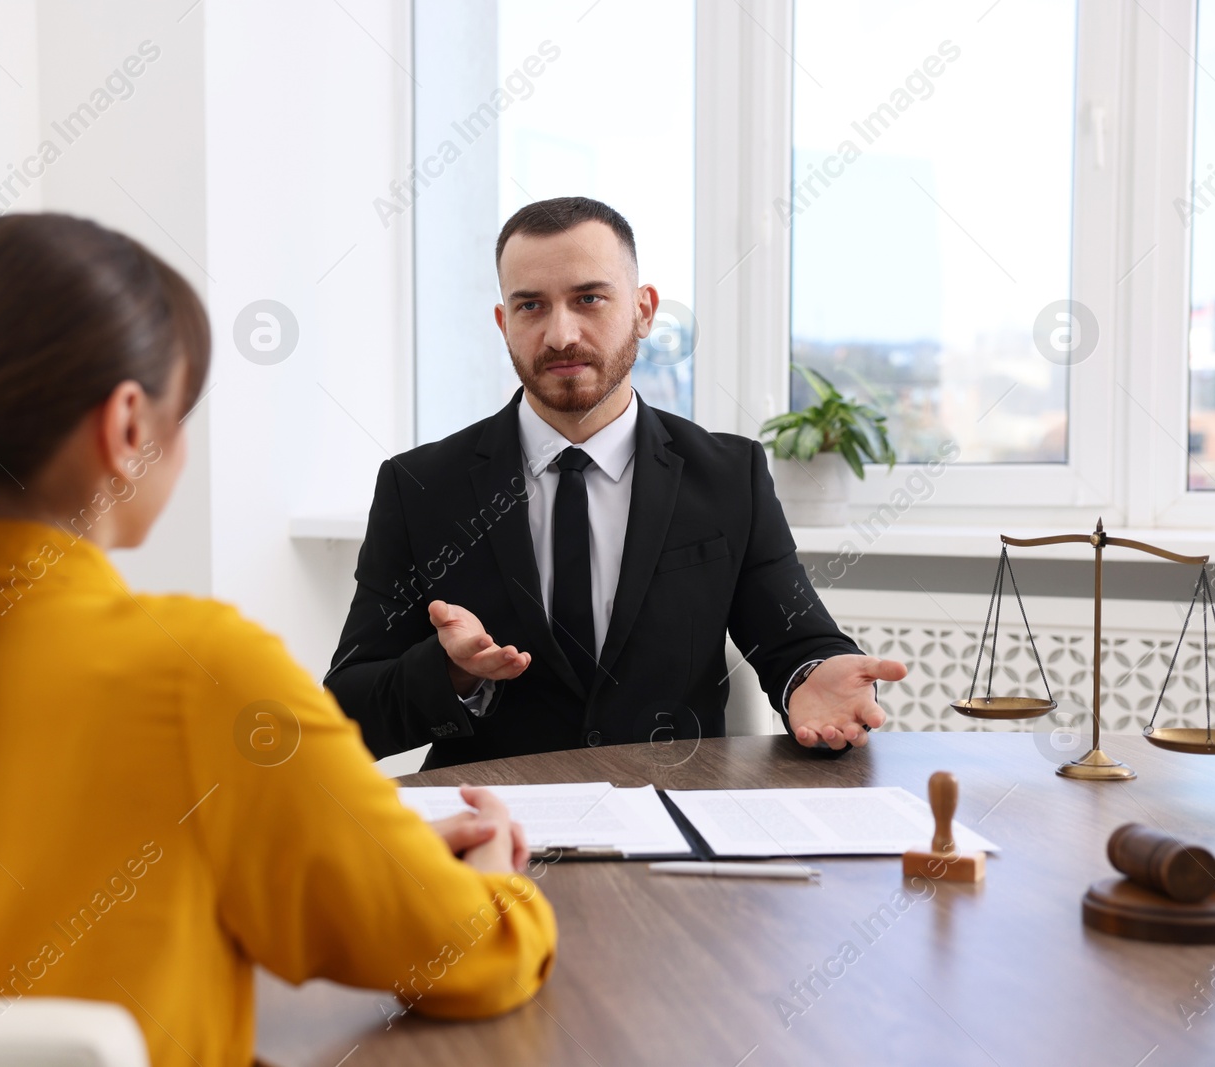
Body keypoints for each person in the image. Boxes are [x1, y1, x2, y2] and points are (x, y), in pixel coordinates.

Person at [0, 213, 556, 1067]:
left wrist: (367, 852)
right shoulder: (198, 672)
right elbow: (467, 955)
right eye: (186, 411)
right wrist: (491, 881)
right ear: (126, 427)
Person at [327, 196, 906, 769]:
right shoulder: (420, 485)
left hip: (673, 819)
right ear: (504, 324)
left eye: (589, 299)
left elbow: (795, 643)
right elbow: (346, 710)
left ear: (644, 310)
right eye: (531, 306)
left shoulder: (731, 476)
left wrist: (813, 677)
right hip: (495, 829)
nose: (560, 335)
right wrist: (447, 672)